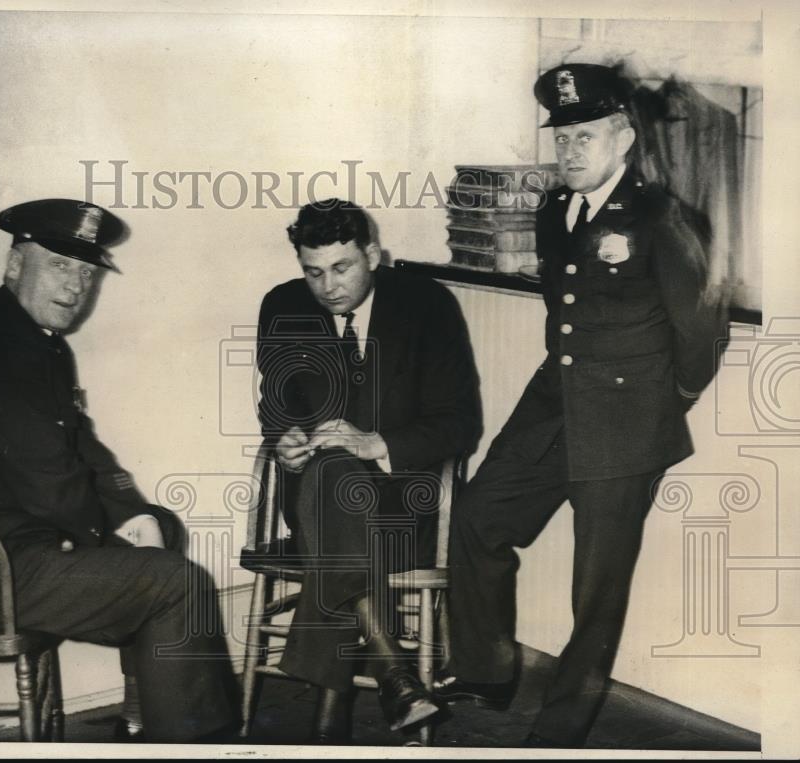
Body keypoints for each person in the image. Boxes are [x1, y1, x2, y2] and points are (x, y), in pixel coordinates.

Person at [438, 64, 729, 747]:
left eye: (586, 135)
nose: (568, 150)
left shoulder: (662, 219)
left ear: (623, 138)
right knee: (478, 516)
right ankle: (487, 669)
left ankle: (560, 731)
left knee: (595, 592)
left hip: (628, 424)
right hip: (554, 408)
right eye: (561, 136)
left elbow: (701, 333)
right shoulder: (553, 212)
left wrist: (665, 405)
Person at [0, 198, 236, 743]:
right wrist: (109, 537)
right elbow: (50, 480)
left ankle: (144, 710)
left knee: (160, 527)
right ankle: (189, 742)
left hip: (10, 554)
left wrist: (135, 517)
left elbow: (88, 454)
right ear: (14, 265)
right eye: (59, 265)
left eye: (86, 272)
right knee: (175, 583)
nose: (76, 285)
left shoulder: (36, 345)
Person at [256, 199, 481, 743]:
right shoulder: (282, 306)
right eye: (313, 272)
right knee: (333, 471)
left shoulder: (427, 304)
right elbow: (275, 402)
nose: (328, 286)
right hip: (315, 495)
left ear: (372, 254)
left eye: (342, 268)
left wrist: (375, 443)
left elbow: (460, 424)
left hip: (407, 499)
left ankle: (335, 713)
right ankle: (396, 675)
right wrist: (283, 437)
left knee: (342, 492)